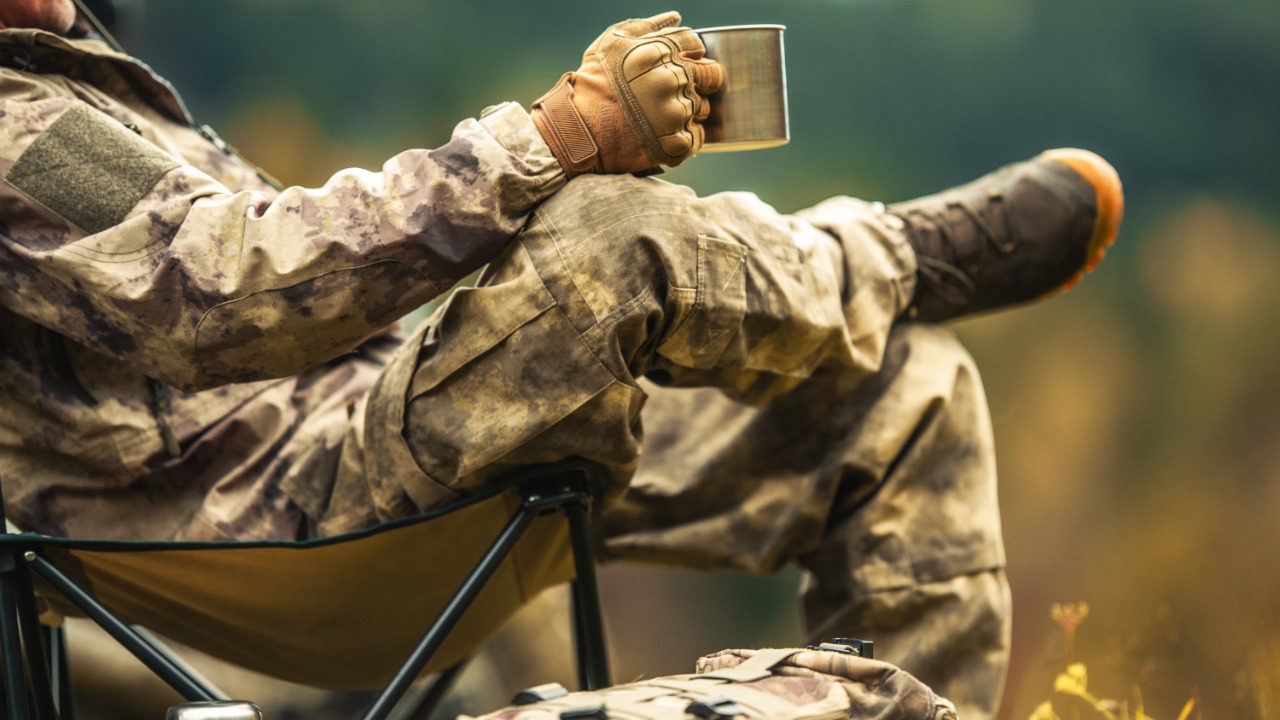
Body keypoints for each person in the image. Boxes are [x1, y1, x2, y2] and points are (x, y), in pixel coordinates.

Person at [0, 1, 1123, 718]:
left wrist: (555, 162)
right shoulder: (14, 125)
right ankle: (889, 254)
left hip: (389, 459)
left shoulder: (72, 76)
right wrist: (549, 143)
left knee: (906, 390)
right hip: (290, 532)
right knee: (604, 234)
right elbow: (231, 290)